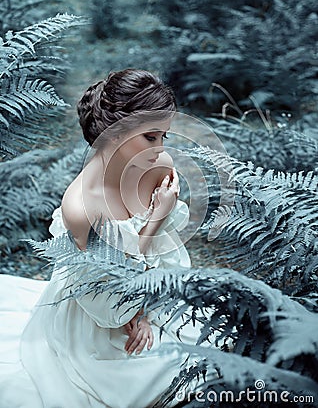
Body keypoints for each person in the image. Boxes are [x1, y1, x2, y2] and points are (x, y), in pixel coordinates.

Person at [0, 69, 210, 408]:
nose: (160, 149)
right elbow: (108, 303)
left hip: (152, 291)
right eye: (150, 137)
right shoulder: (80, 206)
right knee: (142, 378)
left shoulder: (159, 168)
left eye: (163, 137)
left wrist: (149, 311)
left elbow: (171, 259)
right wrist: (154, 221)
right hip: (97, 315)